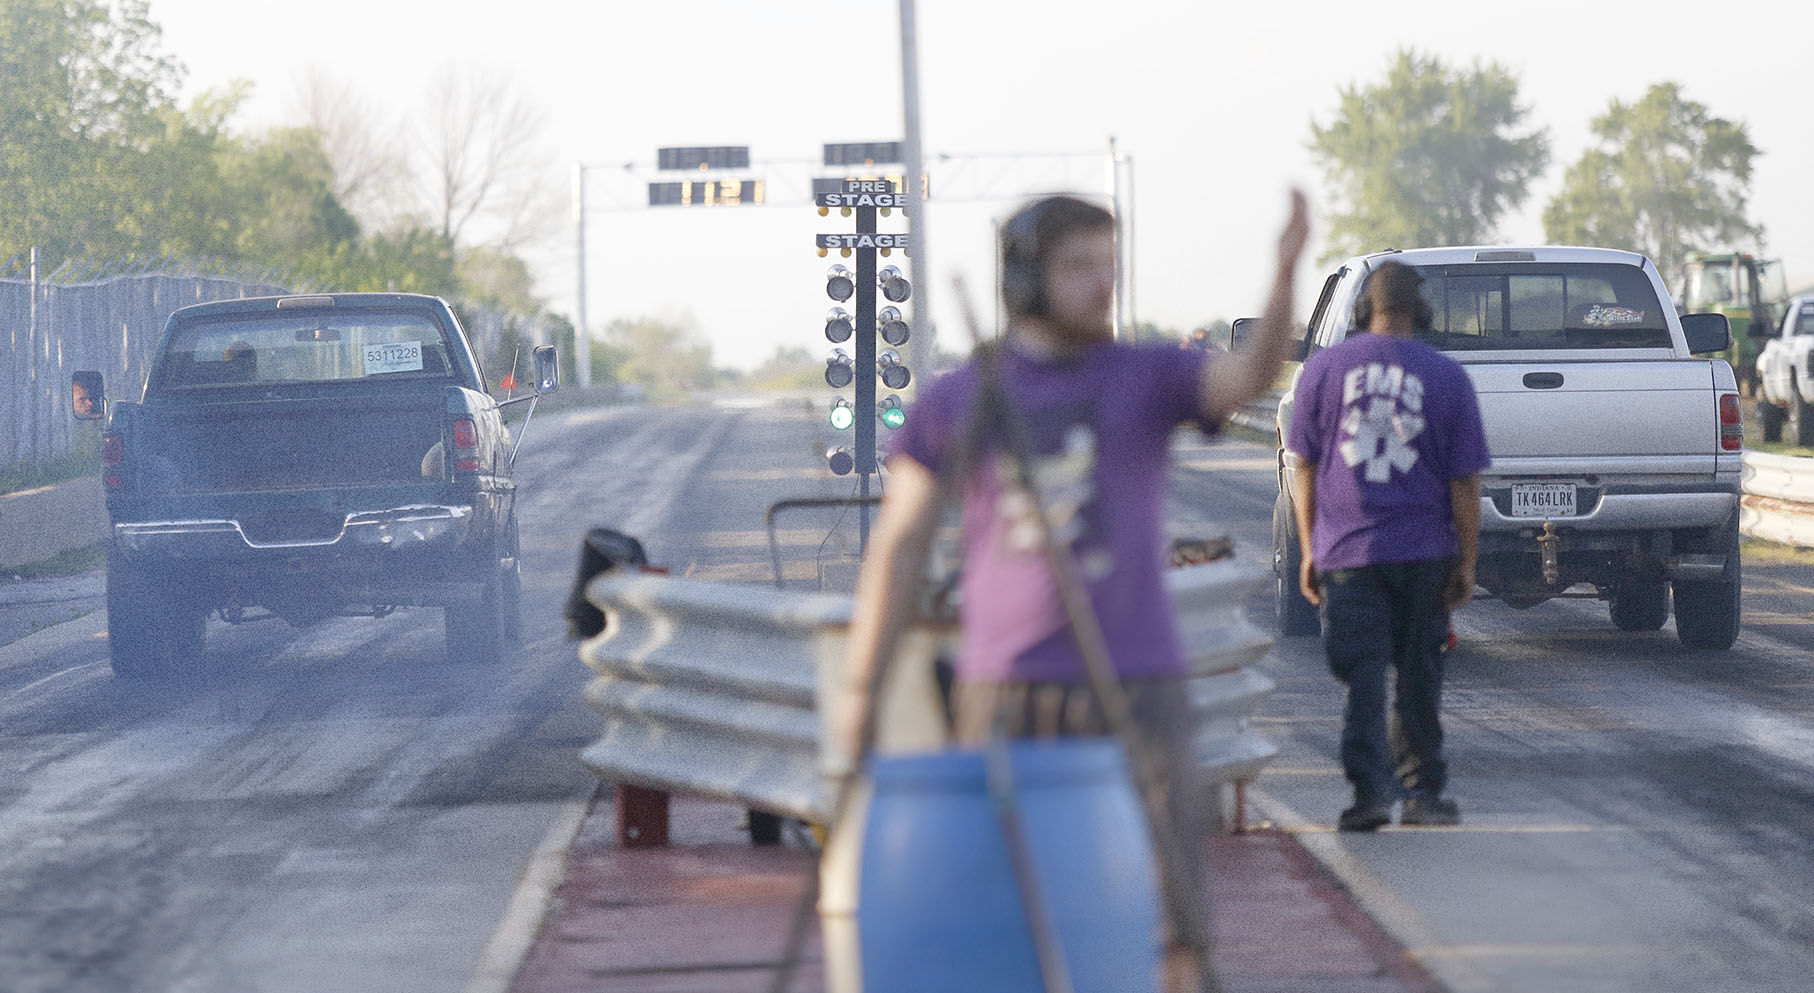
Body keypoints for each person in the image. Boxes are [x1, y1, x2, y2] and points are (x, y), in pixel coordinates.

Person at [838, 189, 1309, 993]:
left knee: (1173, 914)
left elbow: (1249, 374)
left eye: (1109, 265)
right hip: (1005, 690)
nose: (1102, 285)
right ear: (1024, 280)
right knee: (1003, 912)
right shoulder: (963, 395)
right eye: (1079, 266)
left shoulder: (1148, 375)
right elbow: (901, 543)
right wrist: (860, 689)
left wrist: (1284, 269)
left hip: (1136, 682)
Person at [1284, 260, 1490, 832]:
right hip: (1425, 553)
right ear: (1422, 312)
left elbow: (1304, 465)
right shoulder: (1447, 377)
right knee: (1420, 673)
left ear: (1359, 311)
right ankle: (1423, 794)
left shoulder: (1323, 371)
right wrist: (1467, 562)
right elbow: (1465, 482)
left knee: (1364, 674)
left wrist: (1308, 548)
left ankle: (1369, 795)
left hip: (1348, 552)